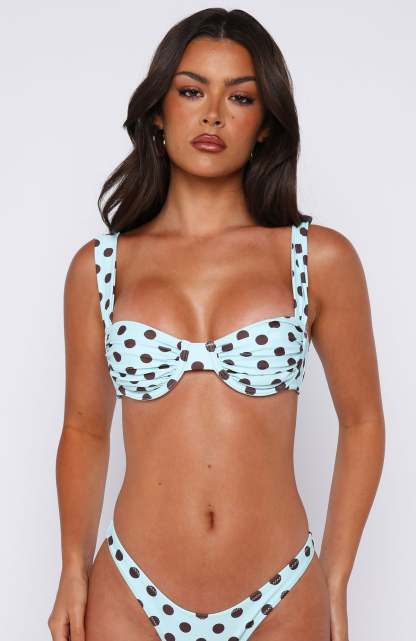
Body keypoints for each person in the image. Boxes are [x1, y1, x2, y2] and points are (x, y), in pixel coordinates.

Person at [48, 8, 385, 641]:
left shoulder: (317, 259)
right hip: (130, 596)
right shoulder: (99, 268)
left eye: (241, 97)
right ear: (158, 111)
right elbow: (85, 431)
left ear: (265, 123)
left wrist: (335, 579)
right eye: (191, 91)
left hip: (281, 595)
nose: (213, 115)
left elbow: (363, 422)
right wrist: (72, 569)